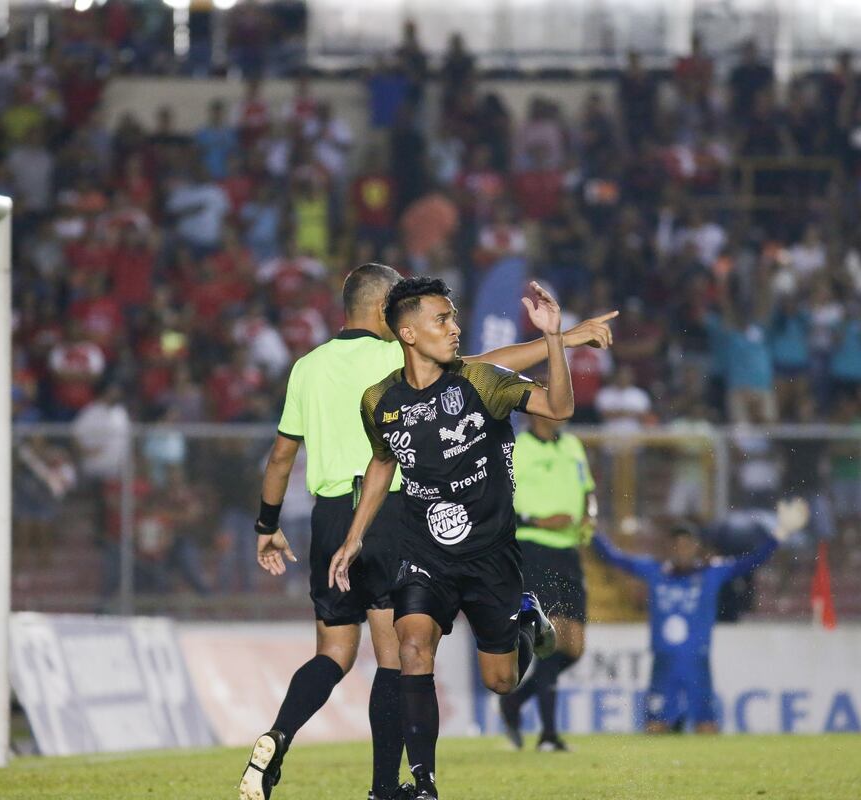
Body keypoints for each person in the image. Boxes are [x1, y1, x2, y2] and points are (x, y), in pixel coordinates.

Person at [239, 266, 615, 800]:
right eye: (442, 318)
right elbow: (390, 455)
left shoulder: (312, 366)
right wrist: (356, 536)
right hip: (405, 528)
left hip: (395, 530)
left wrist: (267, 525)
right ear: (395, 322)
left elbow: (282, 454)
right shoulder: (386, 379)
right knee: (404, 649)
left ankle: (283, 736)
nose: (454, 327)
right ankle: (406, 787)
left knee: (359, 656)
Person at [591, 499, 808, 733]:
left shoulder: (711, 573)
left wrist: (780, 534)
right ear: (669, 548)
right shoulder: (654, 571)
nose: (682, 548)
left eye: (687, 543)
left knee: (706, 727)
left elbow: (750, 562)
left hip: (697, 664)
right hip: (664, 666)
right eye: (677, 544)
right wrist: (590, 530)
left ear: (697, 547)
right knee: (655, 727)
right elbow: (613, 557)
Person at [498, 415, 596, 752]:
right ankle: (549, 735)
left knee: (575, 647)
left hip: (568, 551)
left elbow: (589, 491)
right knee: (551, 639)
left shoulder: (572, 445)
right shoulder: (516, 448)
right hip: (532, 548)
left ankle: (515, 702)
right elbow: (496, 502)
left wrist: (589, 515)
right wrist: (538, 519)